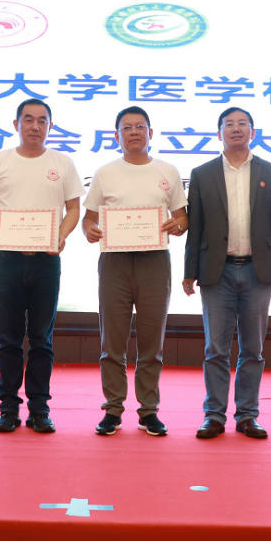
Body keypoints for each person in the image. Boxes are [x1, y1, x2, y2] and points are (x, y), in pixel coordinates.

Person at [0, 99, 83, 434]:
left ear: (50, 126)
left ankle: (39, 409)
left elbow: (73, 209)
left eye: (42, 121)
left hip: (46, 261)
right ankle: (8, 409)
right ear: (16, 124)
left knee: (41, 340)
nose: (35, 126)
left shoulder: (62, 162)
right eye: (29, 120)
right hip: (8, 259)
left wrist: (60, 236)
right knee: (8, 339)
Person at [182, 107, 271, 439]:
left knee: (253, 350)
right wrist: (189, 271)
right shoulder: (202, 173)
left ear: (252, 132)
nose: (235, 128)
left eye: (242, 123)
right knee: (215, 349)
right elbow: (196, 228)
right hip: (217, 272)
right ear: (219, 133)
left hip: (259, 271)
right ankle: (214, 416)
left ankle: (247, 415)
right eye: (228, 124)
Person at [82, 106, 188, 437]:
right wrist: (90, 230)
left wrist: (178, 224)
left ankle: (148, 411)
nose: (133, 132)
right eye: (126, 128)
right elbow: (89, 218)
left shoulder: (168, 171)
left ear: (150, 133)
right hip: (114, 262)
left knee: (151, 340)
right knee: (112, 340)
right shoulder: (105, 173)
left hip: (155, 261)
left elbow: (182, 217)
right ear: (117, 136)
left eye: (140, 126)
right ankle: (113, 409)